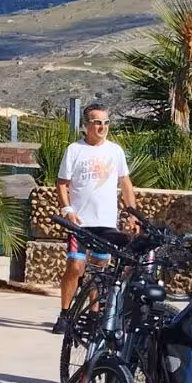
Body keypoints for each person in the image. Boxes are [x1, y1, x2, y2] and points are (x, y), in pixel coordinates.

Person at [51, 104, 137, 333]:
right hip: (81, 224)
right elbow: (62, 184)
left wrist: (132, 214)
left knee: (99, 271)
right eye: (98, 122)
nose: (102, 127)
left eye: (106, 122)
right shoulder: (74, 150)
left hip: (106, 223)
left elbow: (125, 184)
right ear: (87, 125)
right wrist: (67, 209)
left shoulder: (115, 151)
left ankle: (93, 315)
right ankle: (65, 314)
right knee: (76, 266)